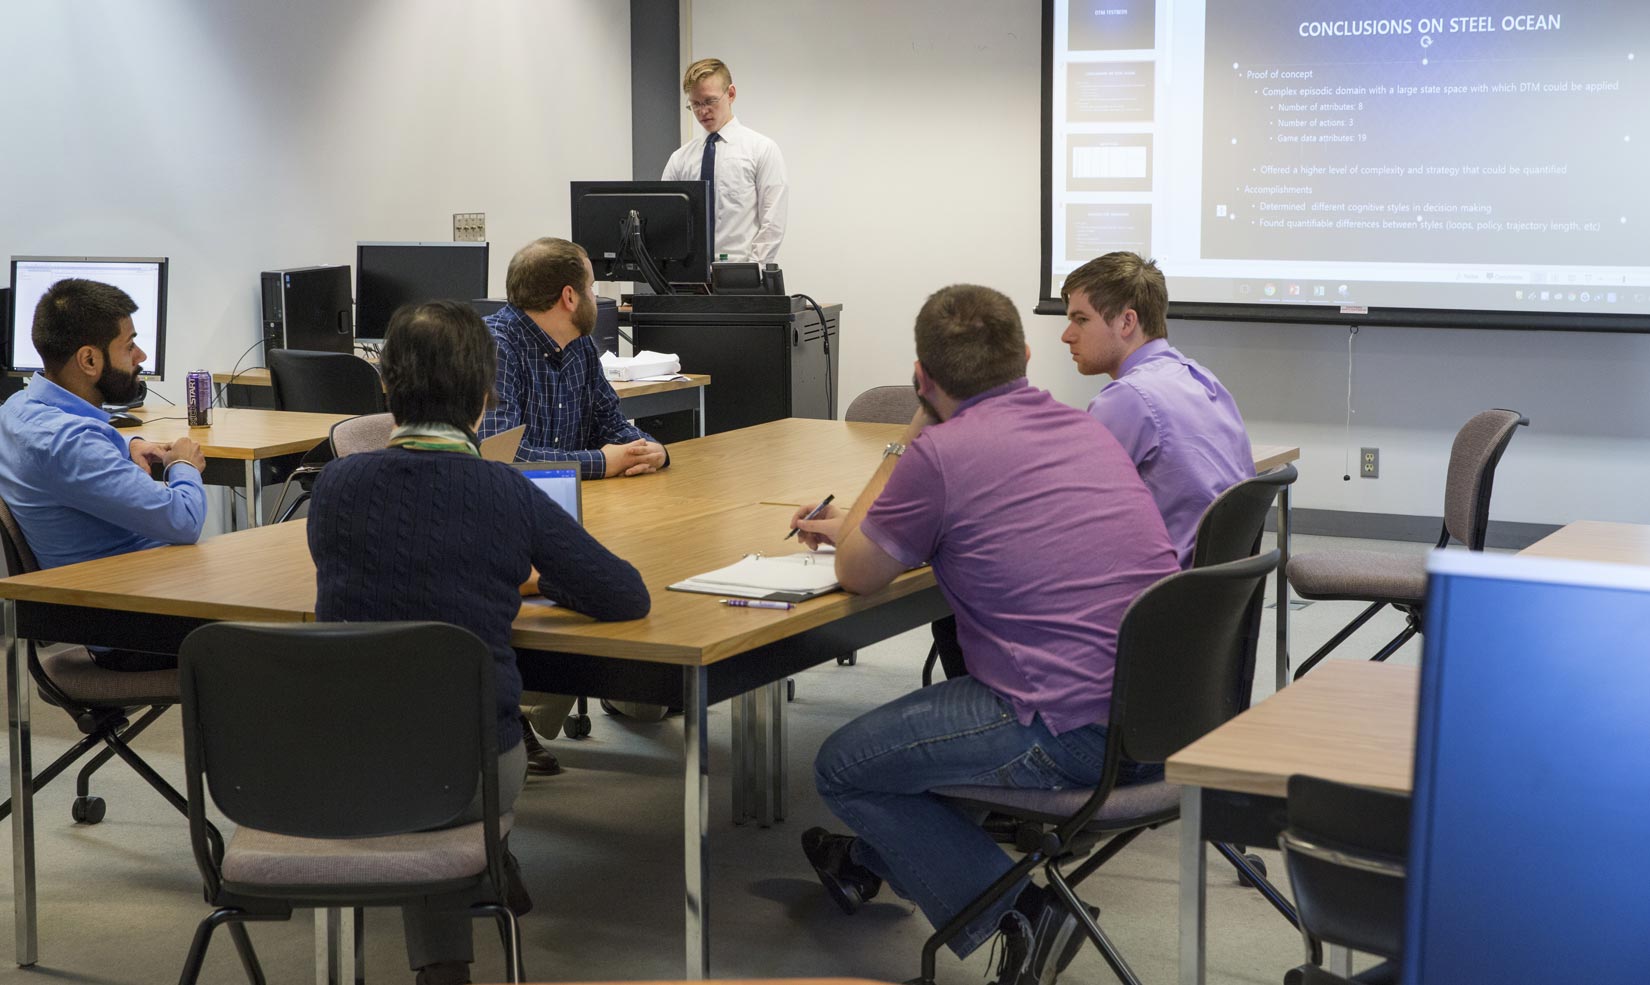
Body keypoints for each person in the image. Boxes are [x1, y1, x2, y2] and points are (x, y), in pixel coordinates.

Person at [791, 285, 1179, 985]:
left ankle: (1023, 915)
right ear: (1026, 356)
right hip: (1161, 716)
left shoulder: (935, 456)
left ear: (922, 377)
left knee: (843, 766)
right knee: (925, 744)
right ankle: (867, 863)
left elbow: (856, 572)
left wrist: (904, 443)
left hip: (1071, 732)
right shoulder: (1083, 425)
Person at [307, 300, 651, 985]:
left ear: (387, 388)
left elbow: (392, 571)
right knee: (442, 753)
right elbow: (624, 595)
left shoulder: (334, 486)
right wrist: (520, 576)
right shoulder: (507, 492)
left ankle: (453, 945)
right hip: (468, 767)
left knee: (411, 738)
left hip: (341, 758)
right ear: (488, 393)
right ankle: (479, 879)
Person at [478, 236, 669, 733]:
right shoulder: (496, 346)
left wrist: (651, 448)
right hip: (515, 517)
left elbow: (612, 422)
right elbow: (506, 454)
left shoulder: (580, 345)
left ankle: (627, 688)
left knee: (649, 563)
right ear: (569, 296)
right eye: (591, 286)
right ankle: (523, 715)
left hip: (585, 509)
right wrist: (601, 463)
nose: (596, 296)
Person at [0, 279, 207, 671]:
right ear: (89, 361)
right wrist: (183, 464)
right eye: (129, 346)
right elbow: (183, 521)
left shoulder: (16, 410)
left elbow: (69, 464)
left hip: (111, 606)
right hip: (137, 624)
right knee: (288, 623)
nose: (141, 355)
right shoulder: (70, 444)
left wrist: (125, 448)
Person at [1060, 251, 1253, 567]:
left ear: (1127, 321)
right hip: (1211, 593)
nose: (1067, 336)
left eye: (1081, 320)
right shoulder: (1201, 378)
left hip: (1155, 593)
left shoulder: (1127, 399)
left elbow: (1068, 509)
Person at [661, 57, 788, 263]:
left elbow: (772, 223)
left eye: (710, 101)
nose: (703, 111)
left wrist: (752, 272)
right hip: (689, 278)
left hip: (742, 273)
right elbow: (666, 218)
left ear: (730, 94)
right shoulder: (680, 159)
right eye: (695, 104)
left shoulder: (762, 150)